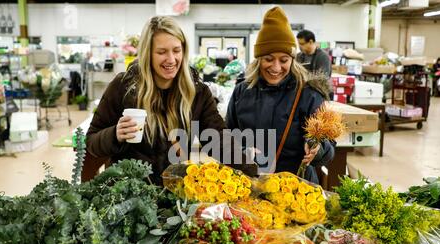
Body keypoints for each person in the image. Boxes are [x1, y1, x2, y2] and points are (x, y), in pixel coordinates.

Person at [86, 16, 256, 185]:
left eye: (176, 50)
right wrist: (115, 135)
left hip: (173, 195)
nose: (171, 59)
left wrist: (253, 175)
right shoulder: (123, 87)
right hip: (126, 196)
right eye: (161, 52)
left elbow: (219, 140)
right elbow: (92, 141)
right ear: (147, 54)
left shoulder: (197, 92)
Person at [226, 6, 334, 184]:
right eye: (268, 59)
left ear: (293, 60)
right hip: (250, 186)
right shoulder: (242, 91)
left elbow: (329, 149)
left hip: (296, 189)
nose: (276, 68)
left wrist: (318, 149)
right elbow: (228, 135)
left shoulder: (309, 95)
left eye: (283, 60)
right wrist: (243, 150)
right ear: (258, 58)